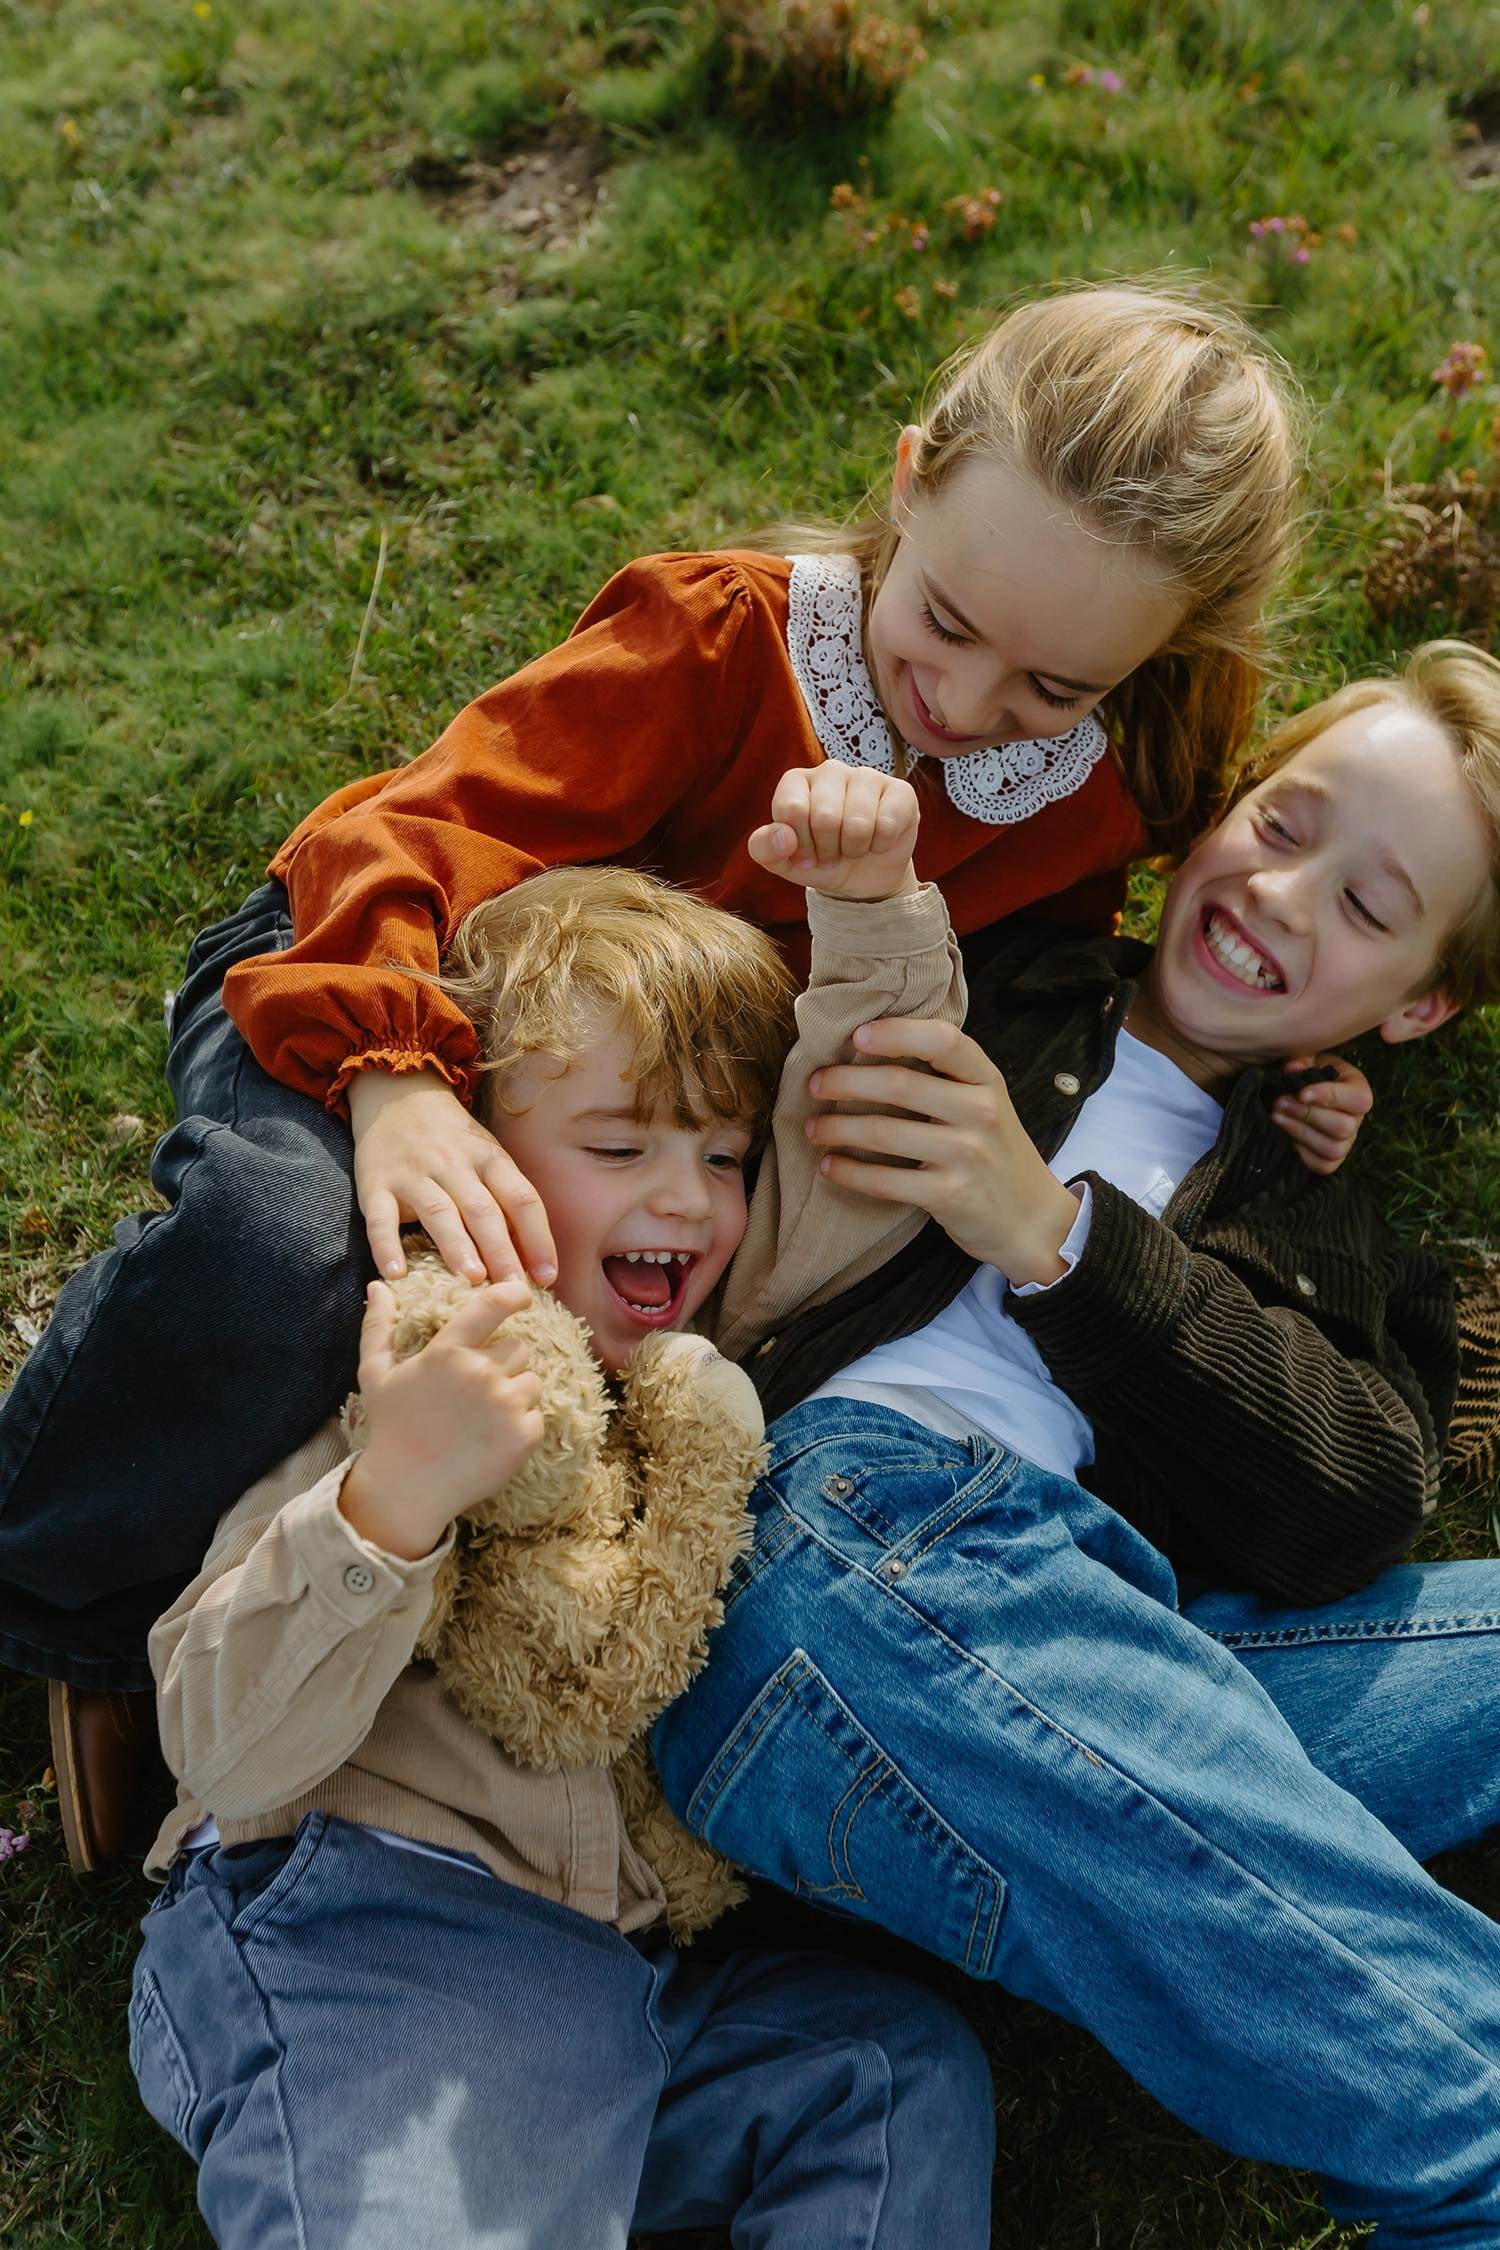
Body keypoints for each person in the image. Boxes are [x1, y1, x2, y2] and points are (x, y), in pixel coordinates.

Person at [3, 284, 1372, 1710]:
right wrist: (398, 1084)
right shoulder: (718, 640)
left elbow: (1057, 994)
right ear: (911, 478)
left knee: (552, 1386)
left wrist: (1270, 1078)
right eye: (947, 621)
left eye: (1053, 685)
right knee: (286, 1253)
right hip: (381, 973)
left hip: (636, 1132)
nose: (967, 705)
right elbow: (413, 838)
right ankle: (42, 1587)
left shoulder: (1079, 802)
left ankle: (268, 1633)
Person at [651, 641, 1500, 2243]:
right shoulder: (1011, 963)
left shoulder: (1326, 1217)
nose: (1286, 895)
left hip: (1102, 1633)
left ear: (1419, 1003)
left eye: (1371, 908)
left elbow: (1350, 1505)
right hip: (831, 1549)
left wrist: (1058, 1237)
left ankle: (1119, 1868)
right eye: (1285, 824)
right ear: (1221, 812)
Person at [128, 810, 996, 2250]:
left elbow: (848, 1153)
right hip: (374, 1927)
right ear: (480, 1160)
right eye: (619, 1143)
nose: (688, 1197)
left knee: (890, 2069)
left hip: (627, 1979)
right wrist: (393, 1501)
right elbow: (221, 1743)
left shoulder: (691, 1362)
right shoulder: (407, 1363)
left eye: (724, 1155)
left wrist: (870, 911)